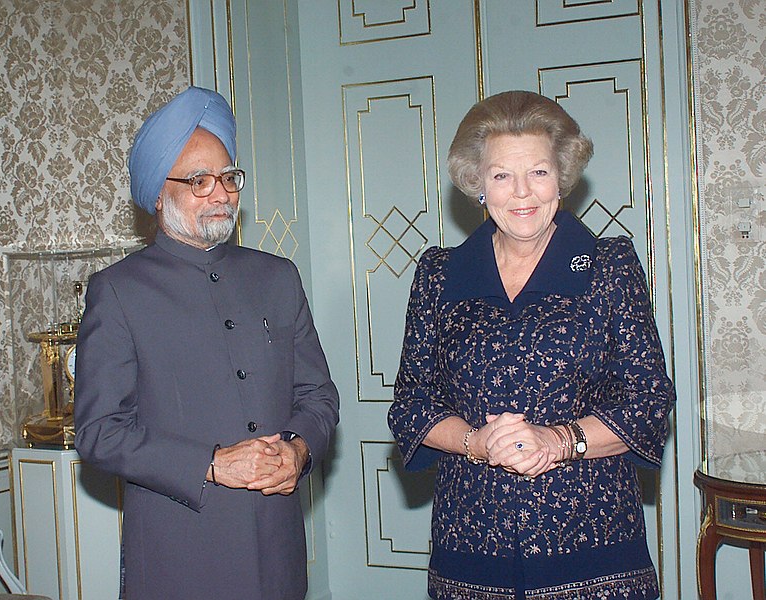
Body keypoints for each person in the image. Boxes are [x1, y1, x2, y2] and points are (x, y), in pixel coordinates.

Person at [388, 90, 675, 600]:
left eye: (538, 172)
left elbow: (650, 401)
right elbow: (411, 405)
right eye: (502, 175)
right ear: (478, 184)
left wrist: (558, 441)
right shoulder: (440, 275)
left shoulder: (609, 267)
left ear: (562, 177)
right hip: (470, 548)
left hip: (594, 547)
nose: (522, 193)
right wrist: (476, 443)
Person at [74, 86, 339, 600]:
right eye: (199, 181)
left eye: (228, 177)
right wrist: (213, 463)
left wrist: (300, 449)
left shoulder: (277, 277)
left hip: (278, 558)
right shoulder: (119, 291)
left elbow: (319, 397)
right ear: (157, 194)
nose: (220, 193)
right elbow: (99, 432)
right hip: (178, 561)